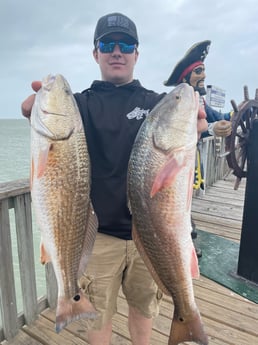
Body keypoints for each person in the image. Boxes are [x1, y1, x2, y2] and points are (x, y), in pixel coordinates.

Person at [21, 13, 208, 345]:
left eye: (126, 45)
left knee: (143, 312)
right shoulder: (79, 105)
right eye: (108, 44)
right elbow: (44, 124)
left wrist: (200, 126)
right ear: (96, 54)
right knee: (99, 320)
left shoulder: (156, 105)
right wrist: (35, 108)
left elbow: (187, 133)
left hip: (150, 238)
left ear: (137, 53)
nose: (117, 51)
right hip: (98, 237)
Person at [163, 40, 232, 257]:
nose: (203, 76)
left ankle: (185, 240)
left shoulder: (199, 100)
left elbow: (216, 118)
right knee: (176, 206)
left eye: (203, 70)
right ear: (185, 77)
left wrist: (234, 117)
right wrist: (212, 128)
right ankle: (179, 243)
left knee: (186, 204)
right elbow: (180, 131)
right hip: (175, 165)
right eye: (198, 71)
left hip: (192, 161)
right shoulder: (178, 103)